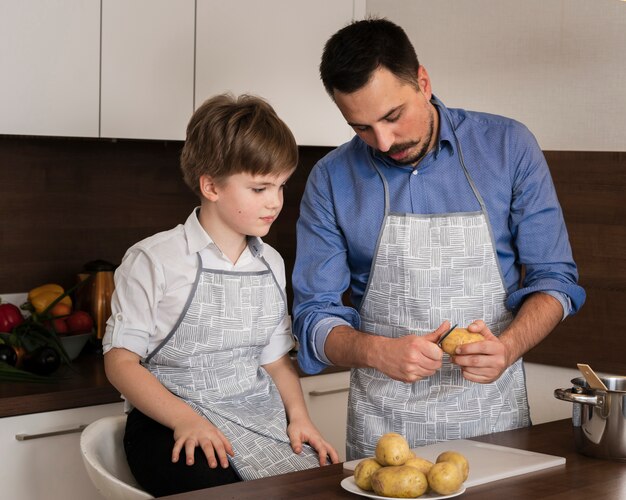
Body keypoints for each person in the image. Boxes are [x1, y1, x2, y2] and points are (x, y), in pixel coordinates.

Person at [292, 18, 586, 460]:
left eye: (392, 116)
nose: (384, 141)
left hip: (494, 422)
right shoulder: (330, 180)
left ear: (423, 82)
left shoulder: (508, 147)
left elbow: (556, 280)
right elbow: (313, 318)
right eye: (361, 128)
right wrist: (375, 350)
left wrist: (507, 348)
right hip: (383, 434)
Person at [102, 93, 338, 497]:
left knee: (324, 486)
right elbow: (120, 362)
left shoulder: (271, 263)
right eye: (260, 188)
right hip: (169, 422)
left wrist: (300, 418)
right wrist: (184, 420)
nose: (276, 202)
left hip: (256, 418)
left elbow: (276, 362)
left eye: (281, 186)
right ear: (210, 185)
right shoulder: (153, 259)